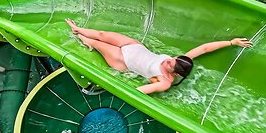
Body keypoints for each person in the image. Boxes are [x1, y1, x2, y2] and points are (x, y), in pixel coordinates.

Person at [65, 19, 252, 94]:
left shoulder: (164, 82)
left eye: (170, 63)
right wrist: (231, 42)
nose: (168, 60)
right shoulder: (180, 62)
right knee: (102, 35)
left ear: (176, 73)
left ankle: (81, 37)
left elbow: (139, 92)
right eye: (173, 58)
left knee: (97, 43)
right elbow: (203, 49)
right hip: (134, 47)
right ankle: (77, 28)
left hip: (123, 61)